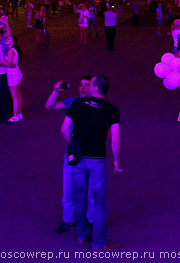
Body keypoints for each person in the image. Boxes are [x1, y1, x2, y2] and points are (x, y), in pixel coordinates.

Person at [61, 75, 121, 251]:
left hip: (79, 159)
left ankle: (81, 235)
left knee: (80, 197)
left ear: (95, 88)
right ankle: (99, 242)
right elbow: (115, 138)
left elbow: (64, 129)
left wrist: (72, 145)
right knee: (99, 201)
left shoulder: (78, 104)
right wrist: (116, 160)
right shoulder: (111, 110)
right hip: (97, 159)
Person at [46, 77, 95, 234]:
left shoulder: (97, 105)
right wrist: (55, 91)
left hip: (89, 152)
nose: (82, 87)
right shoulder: (72, 102)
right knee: (68, 187)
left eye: (86, 85)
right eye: (80, 84)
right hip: (73, 152)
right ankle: (68, 219)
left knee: (90, 190)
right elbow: (50, 106)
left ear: (93, 88)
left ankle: (92, 220)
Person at [5, 35, 24, 122]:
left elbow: (9, 64)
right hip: (17, 72)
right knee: (18, 94)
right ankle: (19, 113)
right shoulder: (14, 50)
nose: (7, 39)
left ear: (12, 42)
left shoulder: (10, 51)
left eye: (9, 39)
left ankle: (15, 116)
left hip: (12, 74)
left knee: (14, 96)